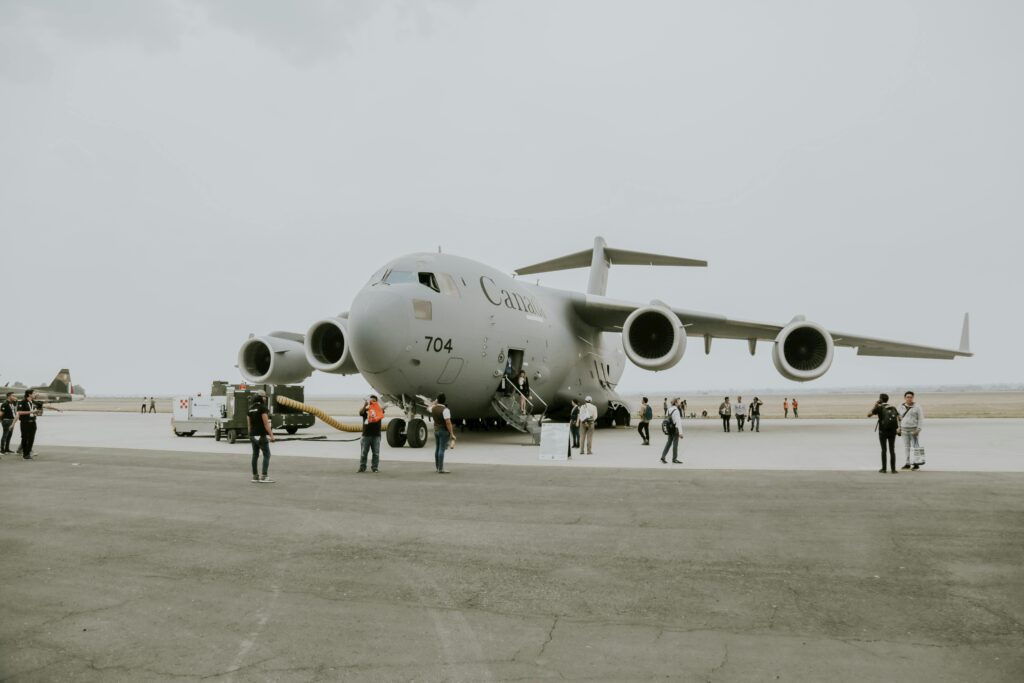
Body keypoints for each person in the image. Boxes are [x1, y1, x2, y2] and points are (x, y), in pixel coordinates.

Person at [868, 393, 900, 474]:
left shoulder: (879, 407)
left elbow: (869, 415)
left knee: (884, 450)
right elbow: (899, 417)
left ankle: (884, 468)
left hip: (883, 431)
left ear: (880, 399)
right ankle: (893, 469)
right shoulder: (893, 408)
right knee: (892, 450)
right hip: (892, 431)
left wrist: (875, 406)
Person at [247, 393, 275, 483]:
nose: (265, 399)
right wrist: (272, 436)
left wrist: (250, 435)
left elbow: (249, 424)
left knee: (255, 455)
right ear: (260, 399)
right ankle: (264, 476)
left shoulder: (250, 409)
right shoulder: (263, 408)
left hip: (253, 435)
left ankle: (255, 476)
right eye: (263, 397)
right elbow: (266, 423)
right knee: (267, 455)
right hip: (261, 435)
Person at [358, 395, 385, 473]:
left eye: (374, 400)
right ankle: (362, 467)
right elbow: (360, 412)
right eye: (371, 400)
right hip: (366, 435)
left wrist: (379, 405)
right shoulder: (366, 410)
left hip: (376, 435)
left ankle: (375, 468)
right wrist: (364, 405)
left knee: (376, 453)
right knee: (363, 453)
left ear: (376, 402)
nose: (372, 402)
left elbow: (383, 409)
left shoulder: (379, 410)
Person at [430, 393, 455, 473]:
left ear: (437, 400)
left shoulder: (433, 408)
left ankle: (437, 467)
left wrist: (435, 402)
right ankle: (441, 469)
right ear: (444, 400)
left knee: (437, 449)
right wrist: (451, 433)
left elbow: (430, 406)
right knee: (441, 449)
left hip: (436, 430)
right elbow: (448, 423)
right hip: (443, 431)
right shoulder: (445, 410)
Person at [899, 391, 924, 471]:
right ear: (904, 398)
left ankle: (916, 464)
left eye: (910, 397)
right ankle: (907, 463)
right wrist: (898, 427)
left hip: (914, 430)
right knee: (907, 447)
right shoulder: (900, 406)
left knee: (915, 447)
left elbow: (920, 419)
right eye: (907, 397)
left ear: (913, 397)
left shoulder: (917, 407)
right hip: (904, 430)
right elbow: (898, 418)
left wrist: (918, 429)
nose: (909, 398)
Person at [17, 390, 39, 460]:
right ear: (29, 394)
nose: (35, 394)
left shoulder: (33, 402)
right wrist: (31, 412)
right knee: (25, 438)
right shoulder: (22, 402)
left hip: (33, 422)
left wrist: (36, 413)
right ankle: (25, 454)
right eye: (34, 393)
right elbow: (19, 412)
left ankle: (28, 453)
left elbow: (37, 409)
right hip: (25, 422)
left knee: (31, 439)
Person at [661, 398, 683, 463]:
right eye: (678, 402)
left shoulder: (668, 409)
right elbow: (678, 422)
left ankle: (663, 456)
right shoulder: (676, 410)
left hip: (669, 429)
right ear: (675, 403)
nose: (679, 403)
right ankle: (674, 459)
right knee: (675, 444)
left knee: (668, 443)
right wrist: (681, 432)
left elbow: (666, 418)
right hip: (675, 429)